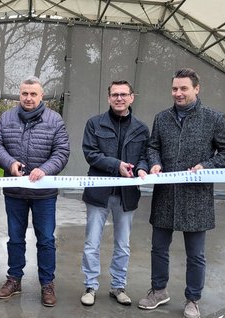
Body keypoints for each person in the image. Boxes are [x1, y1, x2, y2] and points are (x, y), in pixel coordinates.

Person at [138, 68, 225, 318]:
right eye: (175, 89)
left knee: (196, 254)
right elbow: (153, 147)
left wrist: (207, 165)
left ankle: (193, 299)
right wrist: (155, 162)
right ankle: (158, 291)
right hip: (165, 195)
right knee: (158, 248)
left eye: (184, 88)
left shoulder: (214, 118)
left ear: (196, 89)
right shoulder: (162, 118)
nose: (178, 93)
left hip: (196, 197)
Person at [0, 76, 70, 307]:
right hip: (14, 191)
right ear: (19, 95)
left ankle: (47, 284)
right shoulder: (7, 117)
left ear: (41, 95)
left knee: (45, 239)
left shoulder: (55, 120)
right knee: (15, 238)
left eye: (33, 94)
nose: (28, 98)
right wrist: (9, 163)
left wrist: (45, 170)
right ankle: (14, 279)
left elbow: (62, 151)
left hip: (44, 194)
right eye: (24, 93)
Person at [80, 80, 149, 307]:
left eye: (123, 94)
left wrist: (141, 168)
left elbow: (145, 156)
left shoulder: (141, 129)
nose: (119, 98)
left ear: (132, 97)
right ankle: (90, 286)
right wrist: (117, 165)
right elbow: (91, 153)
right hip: (98, 193)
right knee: (92, 242)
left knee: (123, 244)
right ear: (109, 98)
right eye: (115, 95)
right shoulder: (94, 124)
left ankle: (118, 286)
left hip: (127, 195)